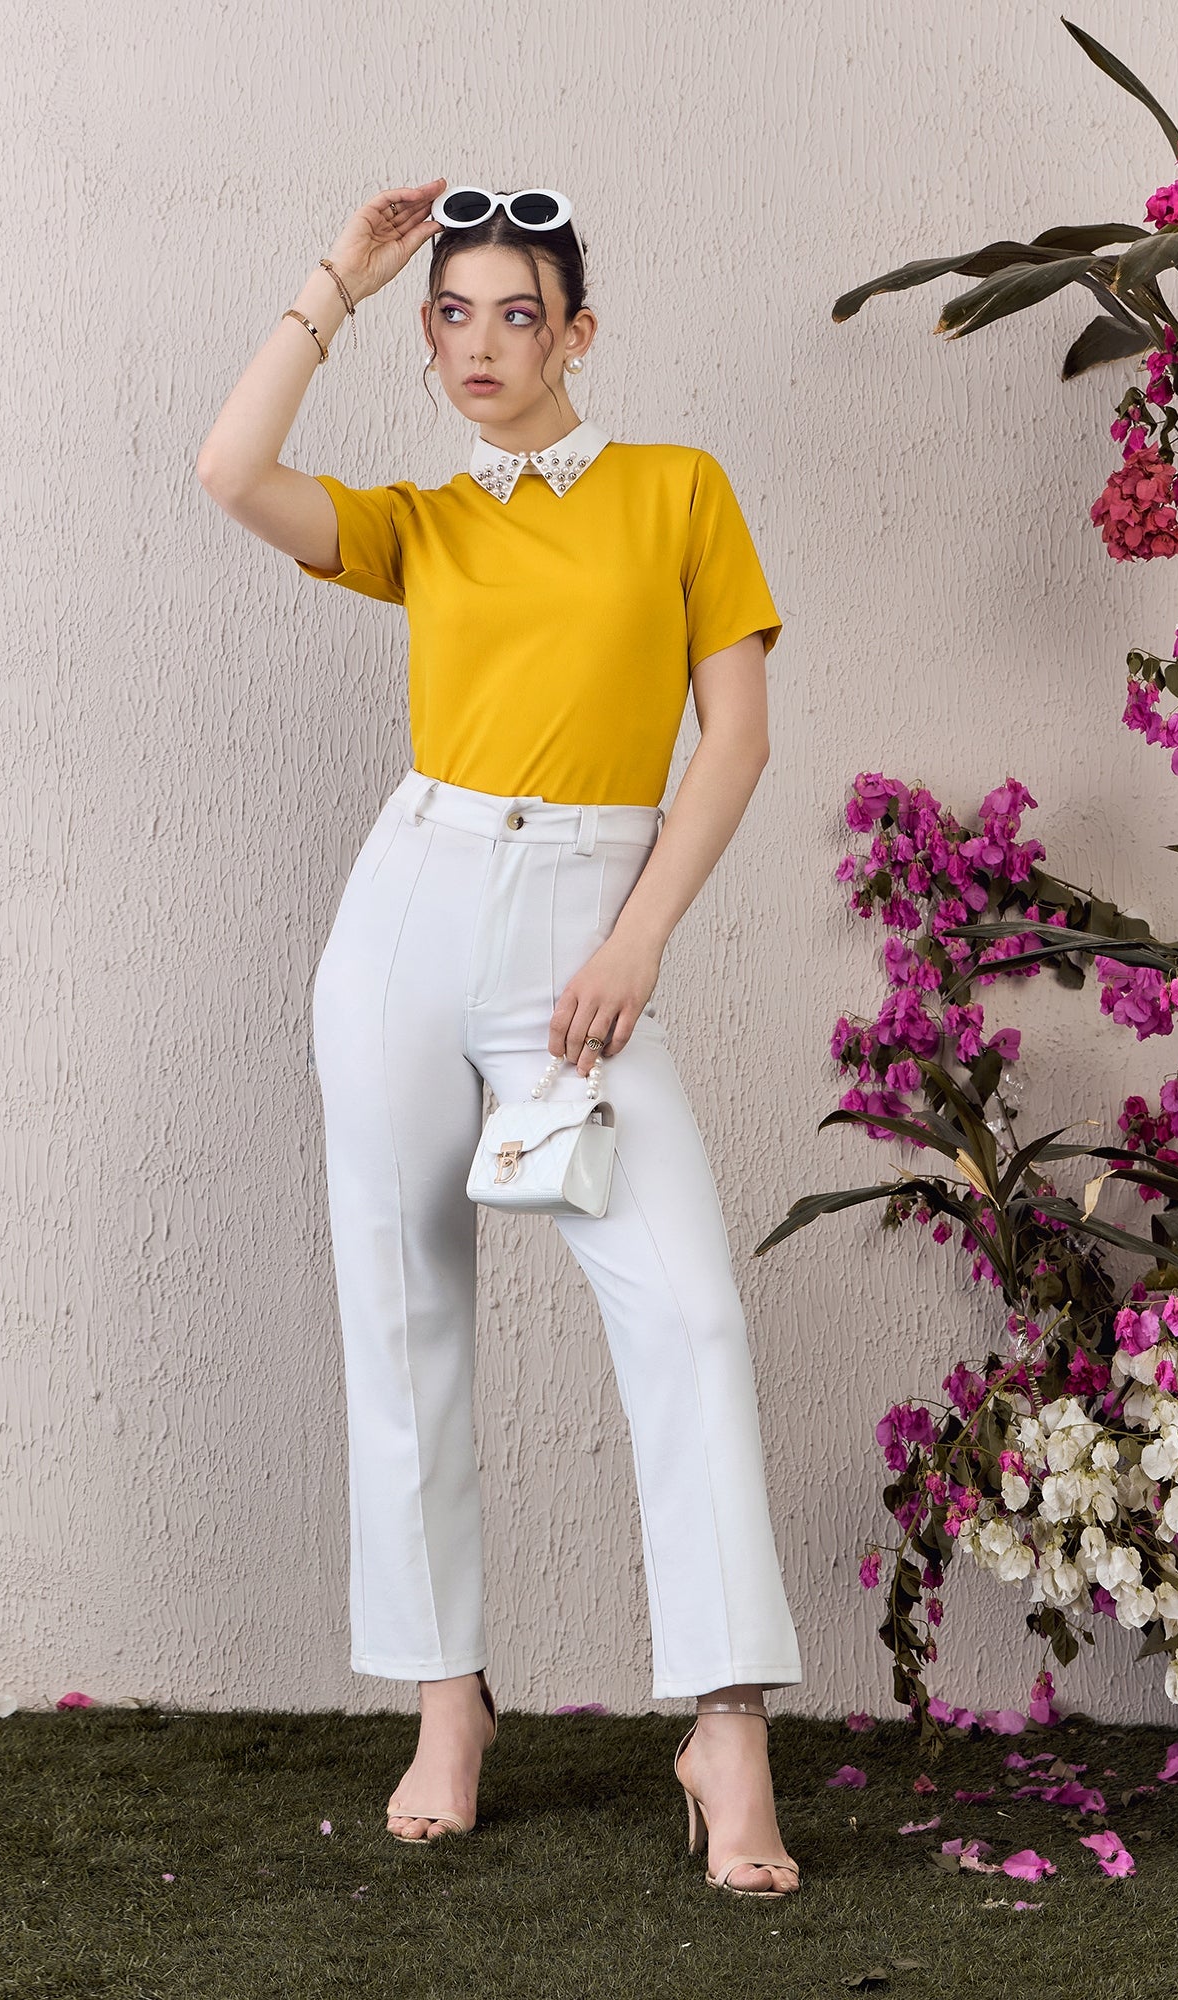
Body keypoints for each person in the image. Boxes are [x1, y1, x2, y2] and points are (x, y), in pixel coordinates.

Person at [196, 180, 802, 1898]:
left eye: (517, 313)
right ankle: (445, 1700)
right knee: (404, 1308)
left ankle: (728, 1728)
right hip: (411, 910)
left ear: (576, 333)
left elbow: (735, 738)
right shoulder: (421, 522)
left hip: (588, 935)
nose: (481, 343)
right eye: (453, 314)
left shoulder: (679, 492)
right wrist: (336, 279)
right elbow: (230, 472)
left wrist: (639, 937)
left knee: (688, 1311)